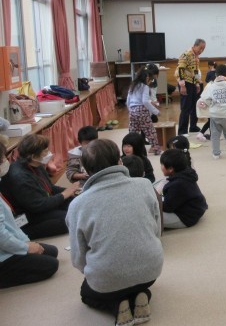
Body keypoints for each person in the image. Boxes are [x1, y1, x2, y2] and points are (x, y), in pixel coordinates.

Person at [66, 139, 163, 326]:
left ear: (86, 170)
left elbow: (78, 258)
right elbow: (156, 230)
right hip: (150, 270)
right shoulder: (145, 185)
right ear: (119, 160)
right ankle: (142, 294)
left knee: (87, 293)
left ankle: (117, 305)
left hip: (107, 279)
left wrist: (97, 270)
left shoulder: (78, 204)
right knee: (133, 281)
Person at [0, 139, 59, 288]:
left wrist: (25, 242)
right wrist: (25, 247)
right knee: (50, 266)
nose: (6, 161)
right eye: (3, 158)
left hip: (6, 239)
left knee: (52, 251)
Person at [0, 134, 80, 240]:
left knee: (76, 203)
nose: (49, 153)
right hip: (27, 215)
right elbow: (38, 206)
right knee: (68, 218)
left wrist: (73, 191)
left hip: (40, 202)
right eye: (46, 151)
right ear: (33, 156)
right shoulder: (20, 177)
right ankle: (26, 233)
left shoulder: (35, 164)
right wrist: (64, 194)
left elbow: (50, 188)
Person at [159, 149, 208, 229]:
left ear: (171, 169)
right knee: (160, 183)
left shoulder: (177, 185)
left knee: (149, 215)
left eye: (162, 164)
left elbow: (167, 207)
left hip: (186, 217)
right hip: (195, 210)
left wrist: (155, 201)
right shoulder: (186, 174)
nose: (161, 167)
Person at [127, 63, 162, 155]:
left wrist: (130, 110)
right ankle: (156, 150)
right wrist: (156, 111)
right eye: (150, 79)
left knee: (133, 132)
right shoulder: (145, 87)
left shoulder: (133, 85)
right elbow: (145, 101)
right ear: (147, 78)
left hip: (132, 110)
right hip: (141, 110)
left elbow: (128, 101)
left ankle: (131, 150)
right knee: (150, 131)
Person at [175, 38, 206, 136]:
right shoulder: (186, 54)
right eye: (200, 48)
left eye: (203, 49)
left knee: (194, 105)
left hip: (192, 82)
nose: (201, 51)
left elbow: (195, 71)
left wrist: (197, 83)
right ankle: (182, 131)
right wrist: (182, 85)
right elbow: (180, 69)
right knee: (186, 107)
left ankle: (193, 126)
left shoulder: (196, 56)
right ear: (195, 45)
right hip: (185, 82)